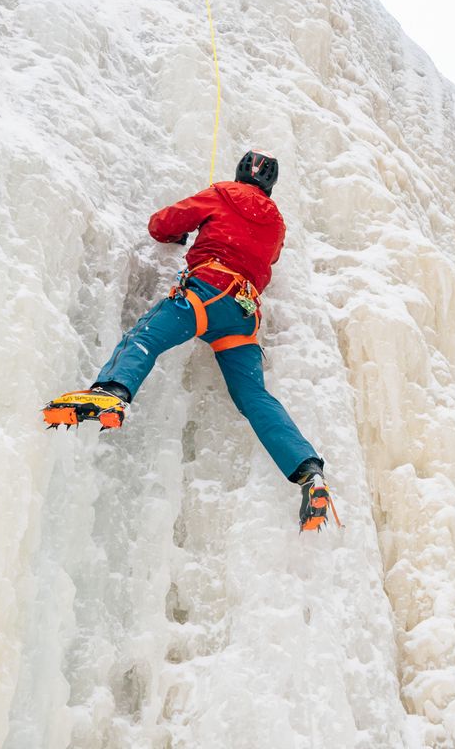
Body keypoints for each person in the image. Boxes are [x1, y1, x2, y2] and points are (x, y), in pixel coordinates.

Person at [43, 152, 335, 532]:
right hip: (243, 313)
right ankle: (309, 472)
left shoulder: (221, 194)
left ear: (240, 172)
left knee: (145, 337)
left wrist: (178, 235)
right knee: (254, 397)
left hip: (206, 291)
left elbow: (163, 223)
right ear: (270, 186)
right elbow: (270, 257)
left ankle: (111, 393)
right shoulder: (277, 223)